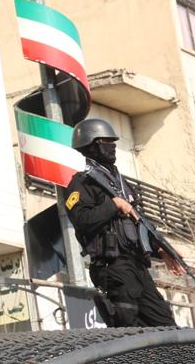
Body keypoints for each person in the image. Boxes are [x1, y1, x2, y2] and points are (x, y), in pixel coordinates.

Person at [62, 117, 176, 328]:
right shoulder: (82, 183)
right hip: (112, 267)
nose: (112, 147)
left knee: (166, 325)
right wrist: (113, 205)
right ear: (92, 145)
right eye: (107, 142)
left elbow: (135, 225)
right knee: (127, 329)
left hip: (137, 266)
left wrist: (160, 250)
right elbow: (81, 220)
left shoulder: (118, 182)